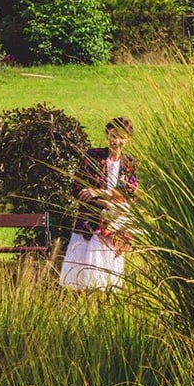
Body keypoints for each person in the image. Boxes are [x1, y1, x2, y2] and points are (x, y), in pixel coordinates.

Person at [59, 116, 137, 290]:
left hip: (114, 227)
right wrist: (108, 202)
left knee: (108, 281)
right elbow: (79, 189)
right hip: (90, 223)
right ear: (107, 134)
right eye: (113, 135)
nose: (117, 141)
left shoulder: (129, 164)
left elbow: (130, 195)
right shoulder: (93, 156)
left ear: (128, 139)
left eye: (122, 137)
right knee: (83, 279)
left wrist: (99, 192)